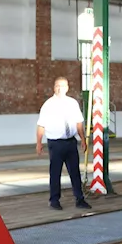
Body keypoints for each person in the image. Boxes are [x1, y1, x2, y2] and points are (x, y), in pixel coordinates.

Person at [35, 77, 91, 211]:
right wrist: (39, 142)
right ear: (54, 88)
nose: (60, 88)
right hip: (55, 143)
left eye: (63, 86)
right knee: (55, 172)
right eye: (58, 86)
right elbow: (41, 125)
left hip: (71, 142)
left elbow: (78, 122)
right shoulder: (48, 105)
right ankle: (54, 200)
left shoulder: (72, 103)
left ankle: (79, 199)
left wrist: (82, 139)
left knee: (75, 172)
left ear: (68, 87)